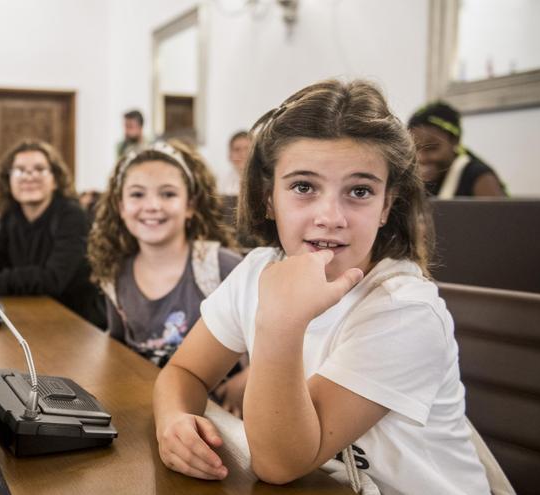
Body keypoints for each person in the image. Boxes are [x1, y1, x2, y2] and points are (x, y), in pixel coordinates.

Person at [152, 80, 489, 494]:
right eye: (303, 187)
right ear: (268, 197)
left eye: (360, 191)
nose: (330, 216)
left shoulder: (404, 311)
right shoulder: (257, 270)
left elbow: (279, 463)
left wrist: (279, 322)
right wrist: (174, 420)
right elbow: (184, 371)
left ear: (386, 206)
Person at [88, 140, 247, 413]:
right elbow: (117, 352)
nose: (152, 206)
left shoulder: (222, 267)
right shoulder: (115, 275)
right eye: (137, 194)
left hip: (218, 417)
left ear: (190, 205)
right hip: (147, 409)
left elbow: (278, 342)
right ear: (121, 206)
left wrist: (245, 381)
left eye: (168, 194)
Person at [0, 139, 106, 329]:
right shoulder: (10, 213)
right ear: (8, 180)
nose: (29, 176)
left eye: (39, 169)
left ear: (55, 180)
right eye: (19, 170)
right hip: (31, 315)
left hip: (77, 324)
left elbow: (52, 279)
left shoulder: (73, 215)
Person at [408, 101, 505, 198]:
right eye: (415, 148)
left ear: (455, 141)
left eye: (431, 148)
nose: (421, 158)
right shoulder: (413, 178)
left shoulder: (478, 176)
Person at [220, 130, 252, 196]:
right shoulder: (220, 183)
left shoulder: (265, 182)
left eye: (247, 149)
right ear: (229, 155)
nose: (242, 154)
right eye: (237, 149)